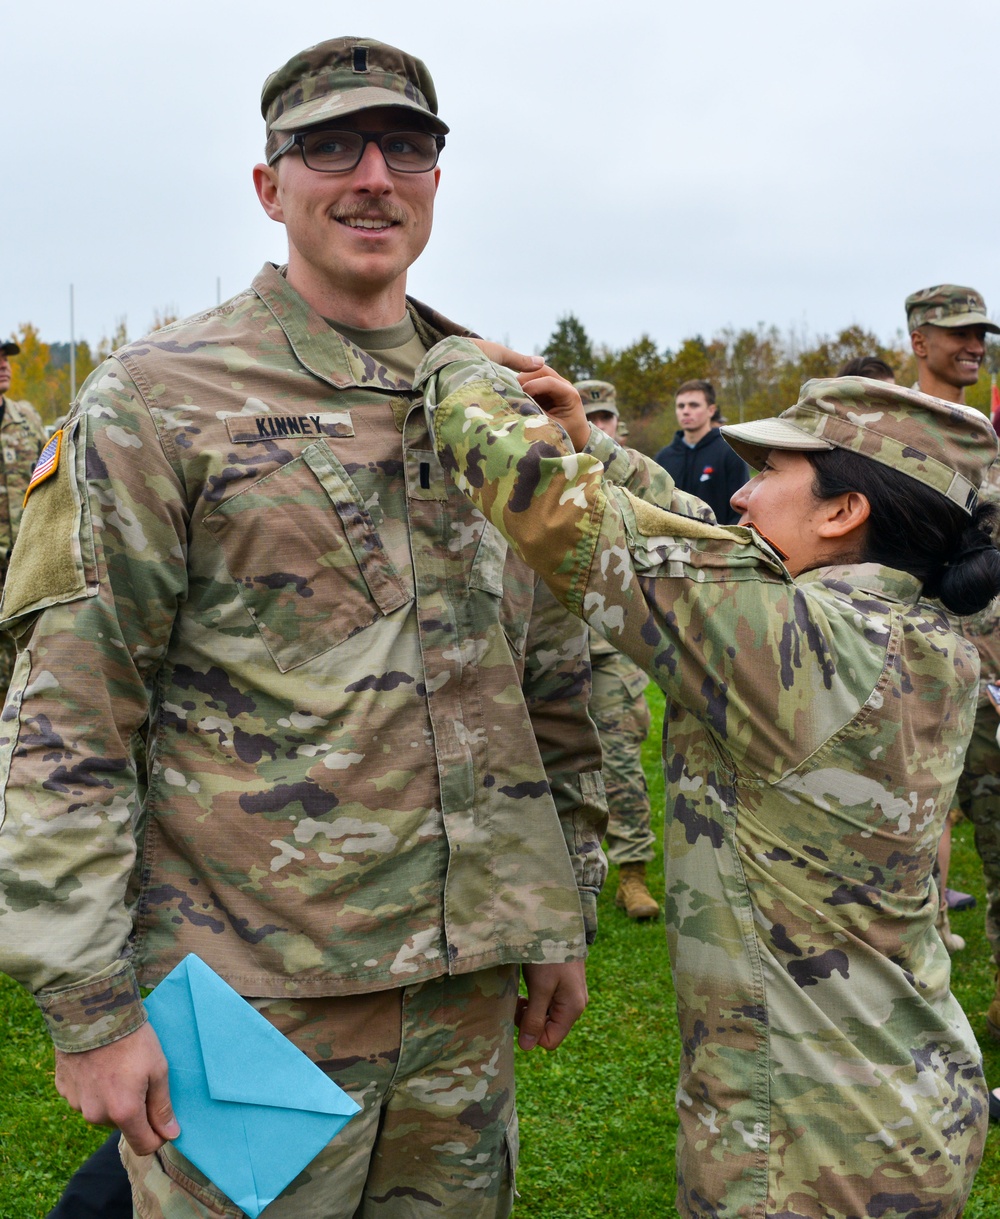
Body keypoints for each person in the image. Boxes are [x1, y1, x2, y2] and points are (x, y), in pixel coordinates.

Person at [0, 38, 607, 1219]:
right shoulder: (159, 397)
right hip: (250, 1000)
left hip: (461, 1006)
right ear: (270, 186)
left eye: (407, 146)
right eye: (330, 146)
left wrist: (557, 906)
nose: (373, 173)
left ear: (437, 178)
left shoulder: (487, 398)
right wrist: (88, 1007)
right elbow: (67, 715)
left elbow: (548, 675)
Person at [418, 340, 999, 1218]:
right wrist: (597, 444)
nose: (740, 488)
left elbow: (567, 519)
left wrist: (452, 363)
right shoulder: (906, 627)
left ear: (843, 510)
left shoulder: (807, 645)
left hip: (809, 1153)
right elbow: (716, 546)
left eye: (770, 471)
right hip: (897, 1104)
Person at [907, 285, 1000, 964]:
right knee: (910, 818)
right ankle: (917, 946)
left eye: (981, 333)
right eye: (959, 332)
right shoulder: (897, 429)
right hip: (920, 660)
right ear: (920, 339)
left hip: (991, 666)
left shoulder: (986, 436)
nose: (975, 345)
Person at [574, 380, 658, 919]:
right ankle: (571, 867)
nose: (597, 427)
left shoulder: (635, 480)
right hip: (552, 639)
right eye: (589, 417)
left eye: (605, 418)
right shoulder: (544, 475)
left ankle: (633, 873)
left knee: (620, 757)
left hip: (613, 640)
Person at [0, 338, 46, 696]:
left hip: (24, 563)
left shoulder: (27, 420)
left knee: (26, 663)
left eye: (6, 359)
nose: (4, 365)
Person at [653, 378, 748, 523]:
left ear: (711, 410)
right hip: (672, 544)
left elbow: (741, 509)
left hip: (719, 542)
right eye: (680, 406)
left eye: (693, 405)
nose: (685, 411)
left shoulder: (730, 453)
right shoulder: (663, 458)